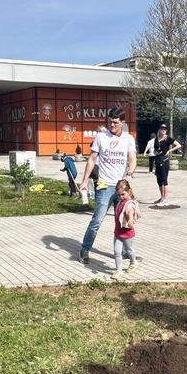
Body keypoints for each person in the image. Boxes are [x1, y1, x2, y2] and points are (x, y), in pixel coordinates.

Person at [77, 108, 137, 264]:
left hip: (121, 188)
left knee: (123, 220)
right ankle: (85, 249)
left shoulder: (128, 138)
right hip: (104, 186)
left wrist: (129, 173)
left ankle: (124, 252)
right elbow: (91, 159)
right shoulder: (101, 137)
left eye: (115, 122)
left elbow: (132, 158)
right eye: (110, 121)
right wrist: (84, 181)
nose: (112, 125)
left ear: (122, 123)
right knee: (97, 220)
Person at [110, 179, 141, 281]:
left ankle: (133, 262)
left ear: (129, 192)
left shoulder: (130, 204)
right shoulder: (120, 202)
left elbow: (130, 215)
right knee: (117, 251)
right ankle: (119, 270)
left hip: (127, 233)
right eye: (119, 195)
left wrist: (131, 220)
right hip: (118, 231)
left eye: (123, 194)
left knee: (129, 250)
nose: (121, 197)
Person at [153, 125, 181, 206]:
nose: (163, 130)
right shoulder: (156, 139)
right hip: (157, 160)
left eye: (165, 129)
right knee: (159, 180)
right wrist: (156, 153)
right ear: (159, 130)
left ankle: (165, 199)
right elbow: (156, 150)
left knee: (164, 180)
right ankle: (162, 197)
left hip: (164, 161)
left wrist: (169, 150)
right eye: (162, 129)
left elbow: (178, 145)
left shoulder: (167, 138)